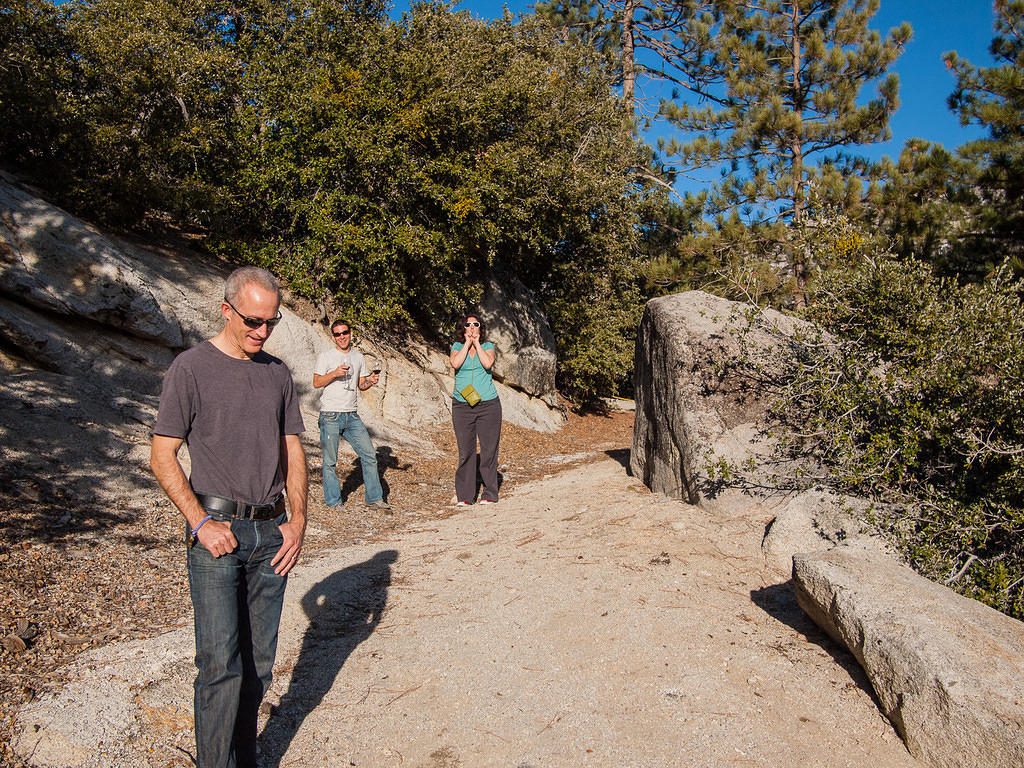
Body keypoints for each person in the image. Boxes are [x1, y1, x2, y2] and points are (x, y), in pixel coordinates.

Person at [150, 266, 308, 768]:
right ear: (226, 311)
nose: (262, 332)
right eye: (253, 321)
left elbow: (293, 449)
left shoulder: (278, 373)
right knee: (220, 667)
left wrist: (299, 521)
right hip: (216, 537)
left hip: (271, 535)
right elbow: (161, 454)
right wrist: (199, 522)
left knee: (258, 666)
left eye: (271, 322)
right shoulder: (191, 368)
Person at [313, 319, 389, 510]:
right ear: (333, 337)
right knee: (330, 461)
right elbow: (316, 382)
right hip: (330, 414)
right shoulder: (326, 356)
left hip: (351, 415)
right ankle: (334, 502)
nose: (342, 337)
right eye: (337, 334)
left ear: (350, 333)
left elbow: (360, 385)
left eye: (344, 332)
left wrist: (370, 381)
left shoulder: (358, 358)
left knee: (370, 455)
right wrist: (334, 374)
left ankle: (374, 499)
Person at [450, 311, 502, 505]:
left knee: (489, 450)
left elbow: (488, 363)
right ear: (462, 329)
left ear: (481, 328)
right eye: (468, 325)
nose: (472, 328)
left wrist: (477, 343)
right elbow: (455, 362)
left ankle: (489, 493)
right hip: (462, 405)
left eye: (476, 325)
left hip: (488, 404)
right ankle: (465, 496)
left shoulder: (488, 346)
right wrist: (467, 344)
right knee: (466, 451)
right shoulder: (456, 347)